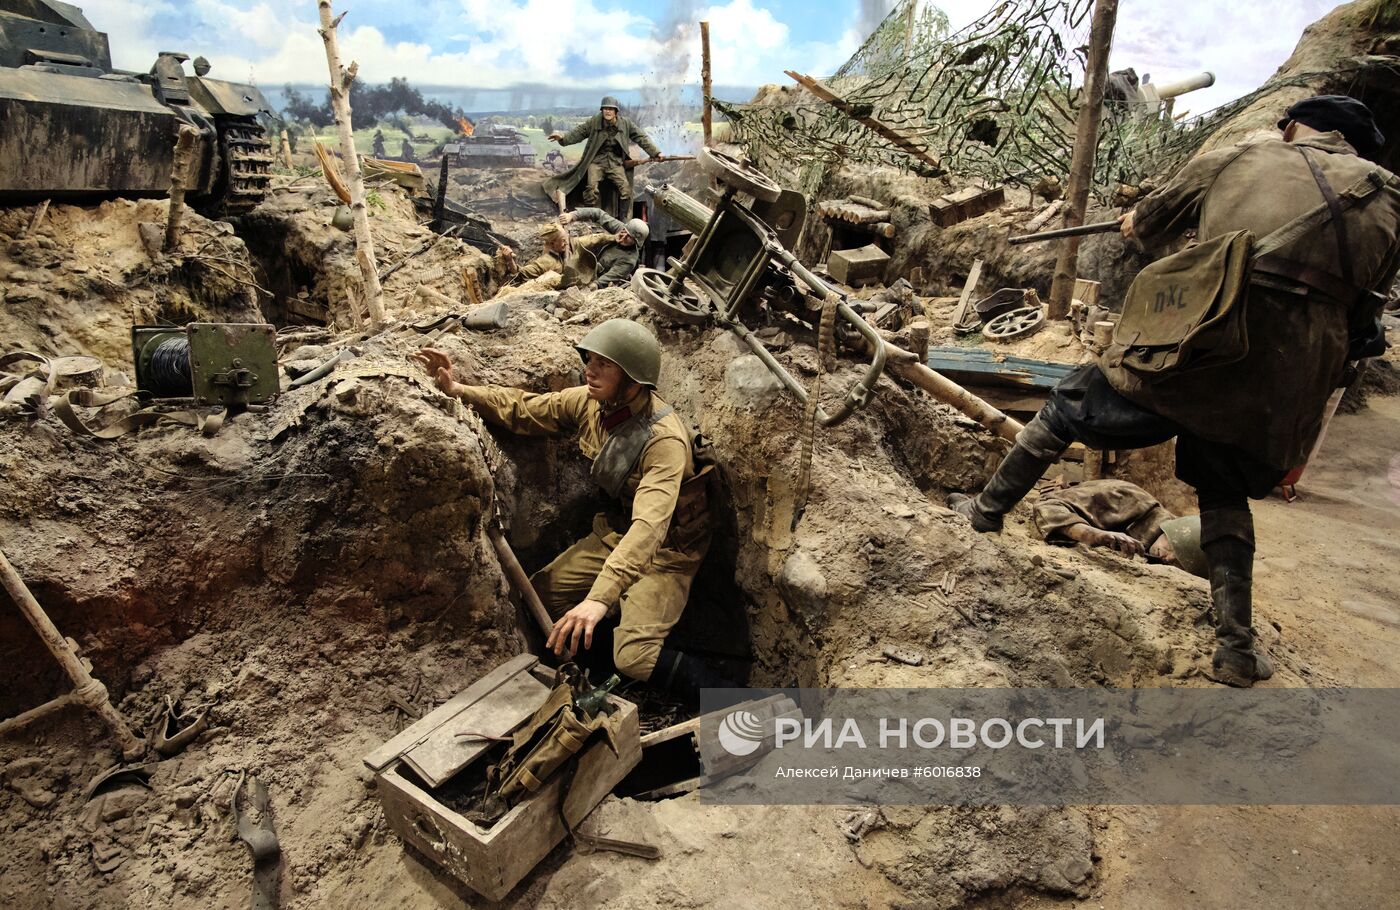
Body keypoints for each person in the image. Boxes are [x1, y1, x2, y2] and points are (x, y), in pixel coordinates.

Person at [950, 94, 1400, 687]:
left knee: (1073, 402)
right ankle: (1235, 649)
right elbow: (1369, 312)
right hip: (1293, 372)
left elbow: (1153, 223)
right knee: (1223, 488)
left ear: (1294, 126)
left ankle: (985, 515)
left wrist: (1137, 221)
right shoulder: (1390, 195)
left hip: (1205, 337)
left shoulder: (1246, 153)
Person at [411, 320, 733, 706]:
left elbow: (649, 529)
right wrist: (459, 390)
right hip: (617, 532)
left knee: (633, 654)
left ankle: (738, 701)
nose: (590, 371)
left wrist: (599, 600)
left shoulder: (663, 442)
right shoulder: (593, 403)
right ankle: (599, 673)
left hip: (666, 549)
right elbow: (526, 408)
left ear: (633, 380)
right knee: (542, 597)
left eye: (604, 365)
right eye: (590, 360)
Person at [1031, 479, 1207, 577]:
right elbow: (1047, 506)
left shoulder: (1155, 545)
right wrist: (1092, 534)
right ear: (1175, 533)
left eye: (1177, 563)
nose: (1168, 560)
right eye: (1173, 552)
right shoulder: (1126, 499)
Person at [542, 96, 661, 218]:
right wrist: (563, 138)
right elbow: (579, 132)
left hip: (615, 163)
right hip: (596, 162)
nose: (608, 111)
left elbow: (641, 137)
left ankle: (624, 220)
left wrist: (655, 153)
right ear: (602, 110)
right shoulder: (594, 122)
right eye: (605, 109)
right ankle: (590, 217)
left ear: (616, 111)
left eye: (611, 109)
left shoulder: (625, 124)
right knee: (591, 189)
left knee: (626, 191)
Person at [559, 207, 648, 287]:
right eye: (625, 232)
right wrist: (573, 215)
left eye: (630, 238)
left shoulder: (629, 260)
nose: (624, 237)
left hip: (593, 275)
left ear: (636, 242)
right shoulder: (620, 228)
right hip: (586, 257)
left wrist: (595, 284)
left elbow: (609, 277)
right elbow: (598, 214)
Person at [493, 222, 572, 290]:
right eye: (563, 240)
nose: (566, 243)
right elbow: (520, 275)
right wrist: (509, 260)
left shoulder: (561, 250)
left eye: (565, 239)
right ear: (552, 243)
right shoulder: (546, 262)